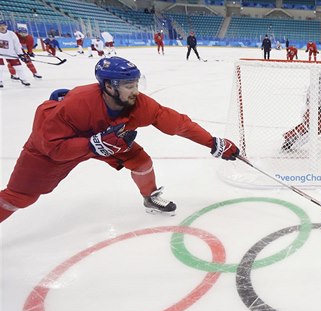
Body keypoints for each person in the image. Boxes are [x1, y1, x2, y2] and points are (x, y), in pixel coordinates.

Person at [0, 56, 239, 223]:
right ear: (108, 87)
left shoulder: (140, 104)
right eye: (127, 85)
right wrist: (90, 144)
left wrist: (212, 142)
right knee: (19, 197)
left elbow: (178, 123)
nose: (135, 90)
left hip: (108, 141)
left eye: (135, 83)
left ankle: (150, 198)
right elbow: (50, 146)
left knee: (141, 162)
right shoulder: (76, 105)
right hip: (56, 147)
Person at [0, 19, 31, 87]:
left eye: (4, 25)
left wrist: (20, 54)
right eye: (0, 25)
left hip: (11, 54)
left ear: (6, 26)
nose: (2, 27)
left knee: (19, 67)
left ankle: (23, 79)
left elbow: (17, 44)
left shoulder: (11, 34)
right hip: (0, 54)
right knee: (0, 67)